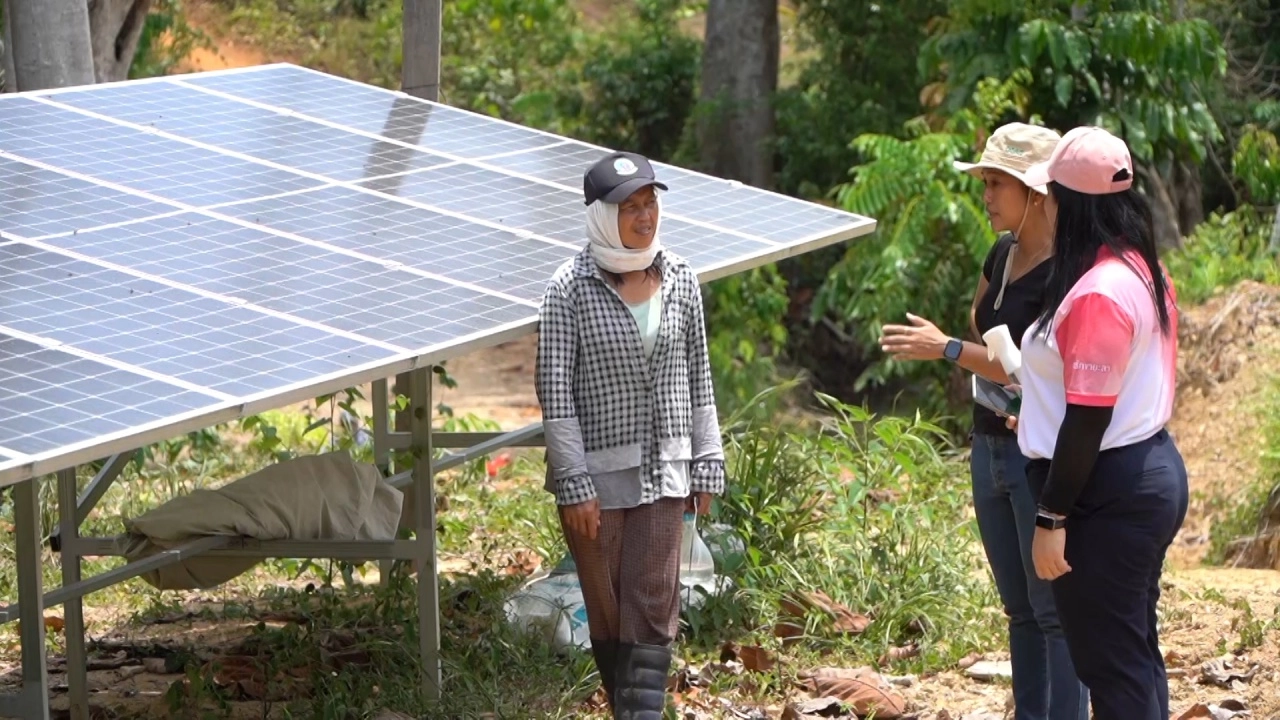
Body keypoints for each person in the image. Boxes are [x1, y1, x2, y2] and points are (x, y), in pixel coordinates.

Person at [879, 123, 1088, 720]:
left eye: (997, 184)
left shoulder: (1066, 273)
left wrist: (949, 350)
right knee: (1019, 608)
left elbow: (1031, 368)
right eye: (987, 182)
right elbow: (984, 320)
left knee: (1053, 610)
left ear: (1037, 192)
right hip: (990, 442)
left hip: (1034, 453)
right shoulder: (1001, 252)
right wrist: (990, 355)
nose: (988, 196)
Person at [534, 151, 726, 719]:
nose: (645, 218)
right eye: (630, 207)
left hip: (666, 471)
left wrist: (707, 459)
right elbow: (556, 393)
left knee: (654, 607)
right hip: (595, 482)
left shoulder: (681, 278)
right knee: (609, 609)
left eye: (651, 203)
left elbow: (699, 377)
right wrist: (573, 483)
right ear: (600, 215)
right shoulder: (568, 289)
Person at [1012, 126, 1188, 720]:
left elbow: (1088, 419)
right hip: (1142, 470)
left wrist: (1051, 516)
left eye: (1053, 197)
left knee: (1111, 665)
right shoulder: (1141, 270)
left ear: (1073, 204)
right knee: (1132, 653)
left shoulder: (1099, 292)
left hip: (1103, 491)